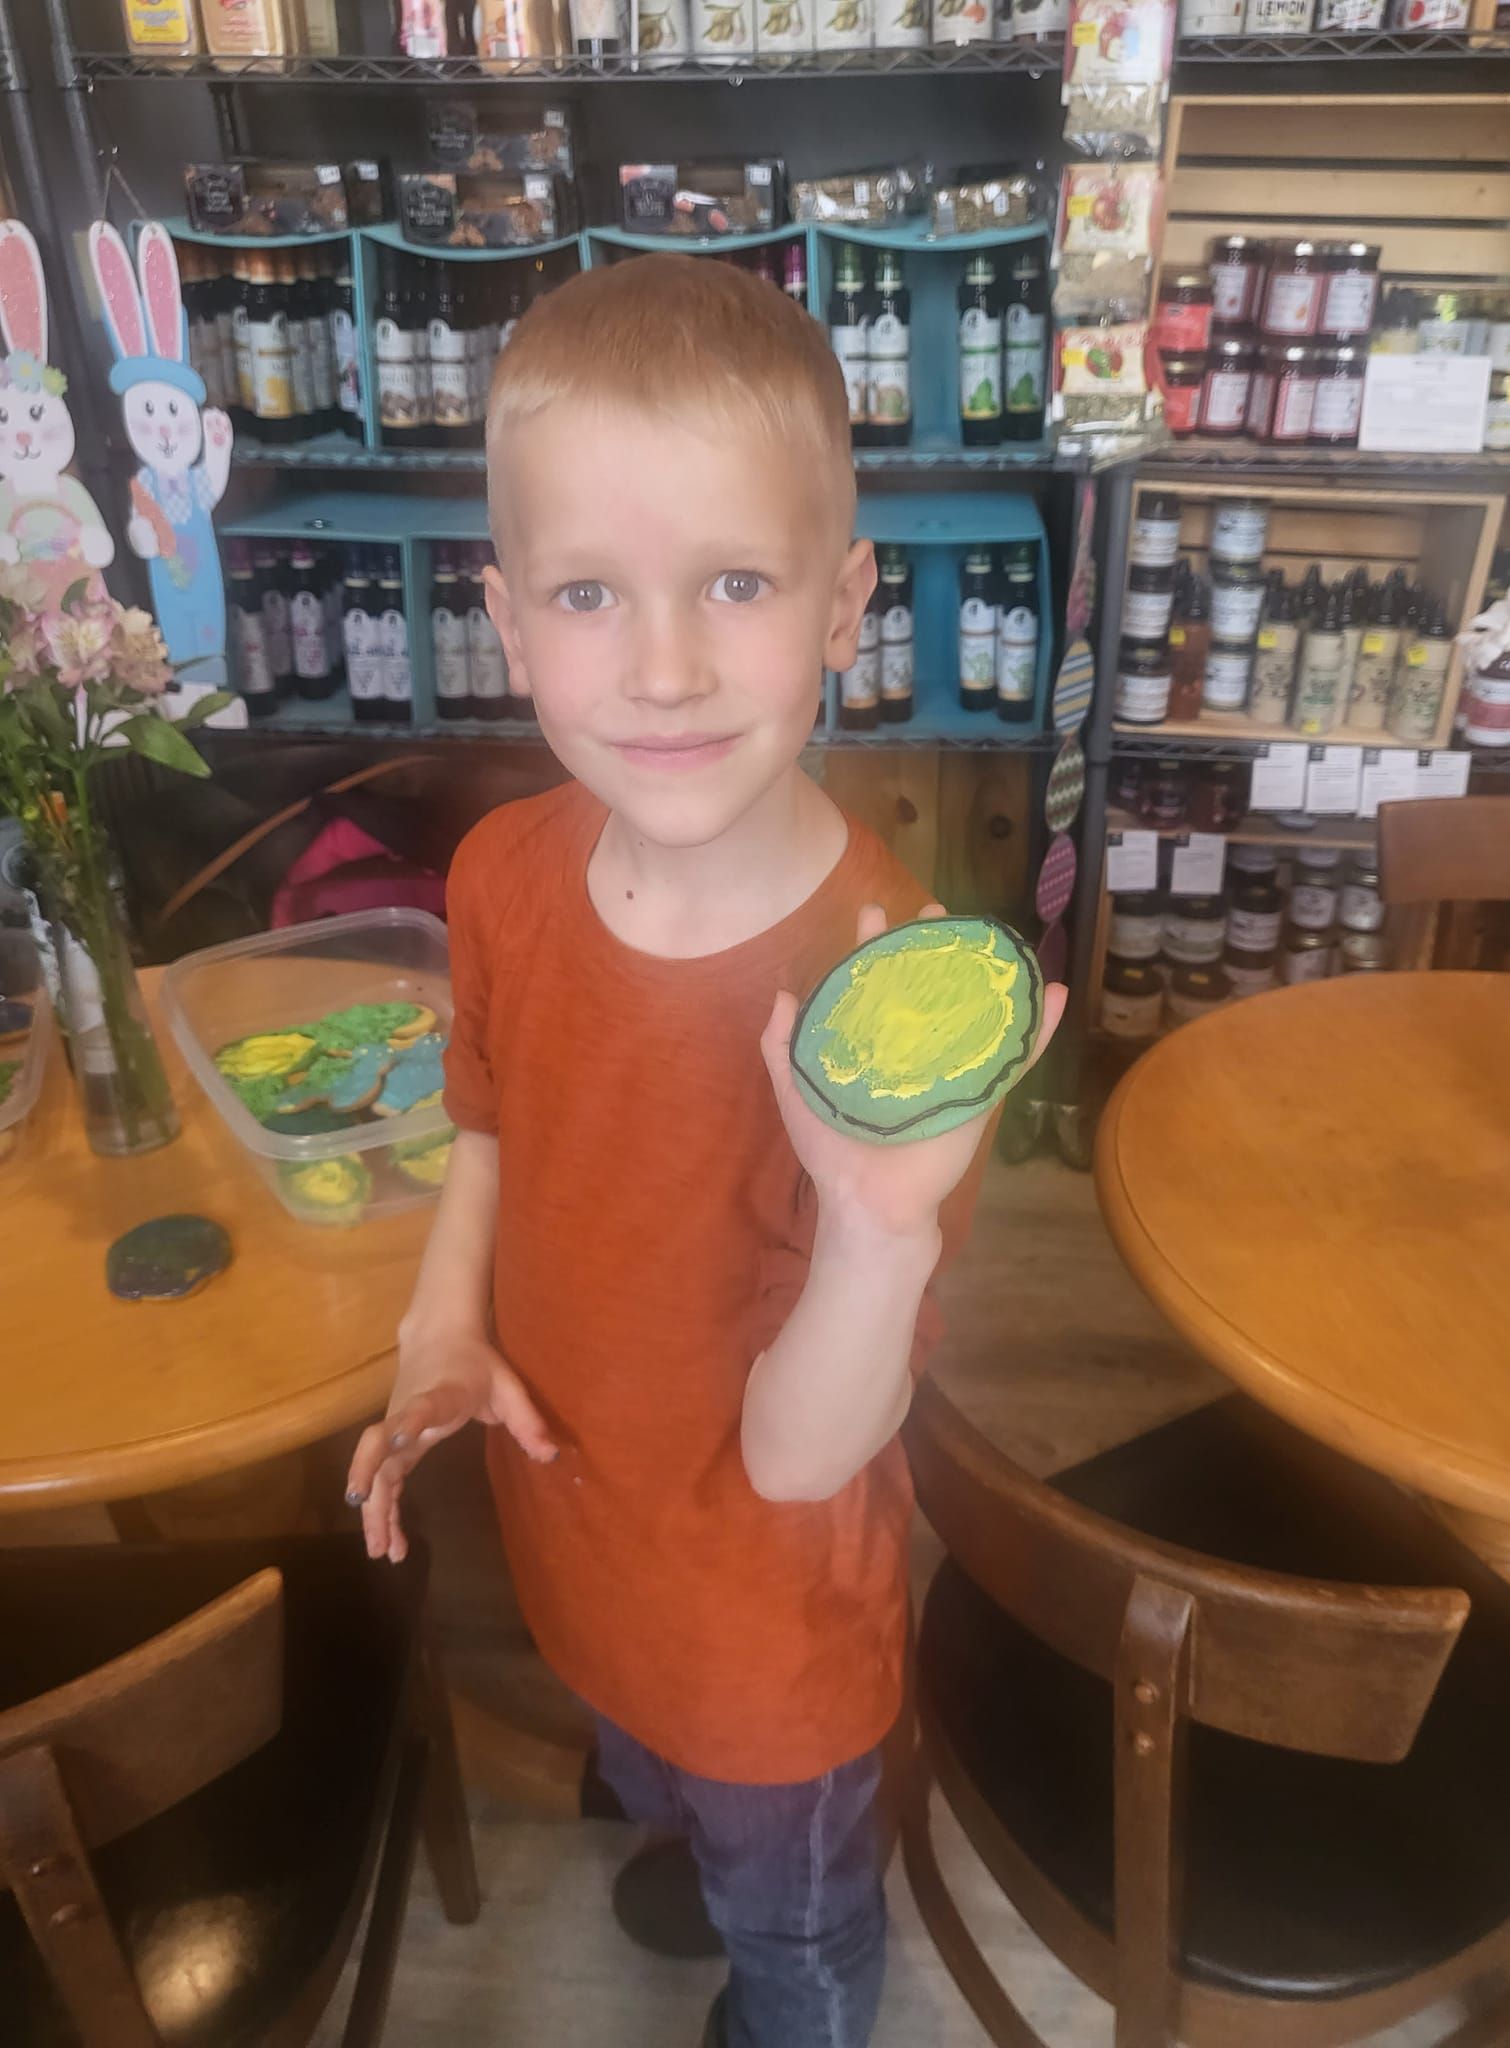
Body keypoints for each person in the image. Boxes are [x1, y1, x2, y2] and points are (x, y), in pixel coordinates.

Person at [345, 253, 1066, 2048]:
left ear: (844, 605)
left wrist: (878, 1233)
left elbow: (803, 1448)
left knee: (796, 1937)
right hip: (573, 1527)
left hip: (768, 1642)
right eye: (592, 593)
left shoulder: (888, 1006)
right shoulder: (503, 875)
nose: (663, 668)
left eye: (736, 583)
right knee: (639, 1757)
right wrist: (442, 1329)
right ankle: (663, 1805)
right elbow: (492, 1120)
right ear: (508, 627)